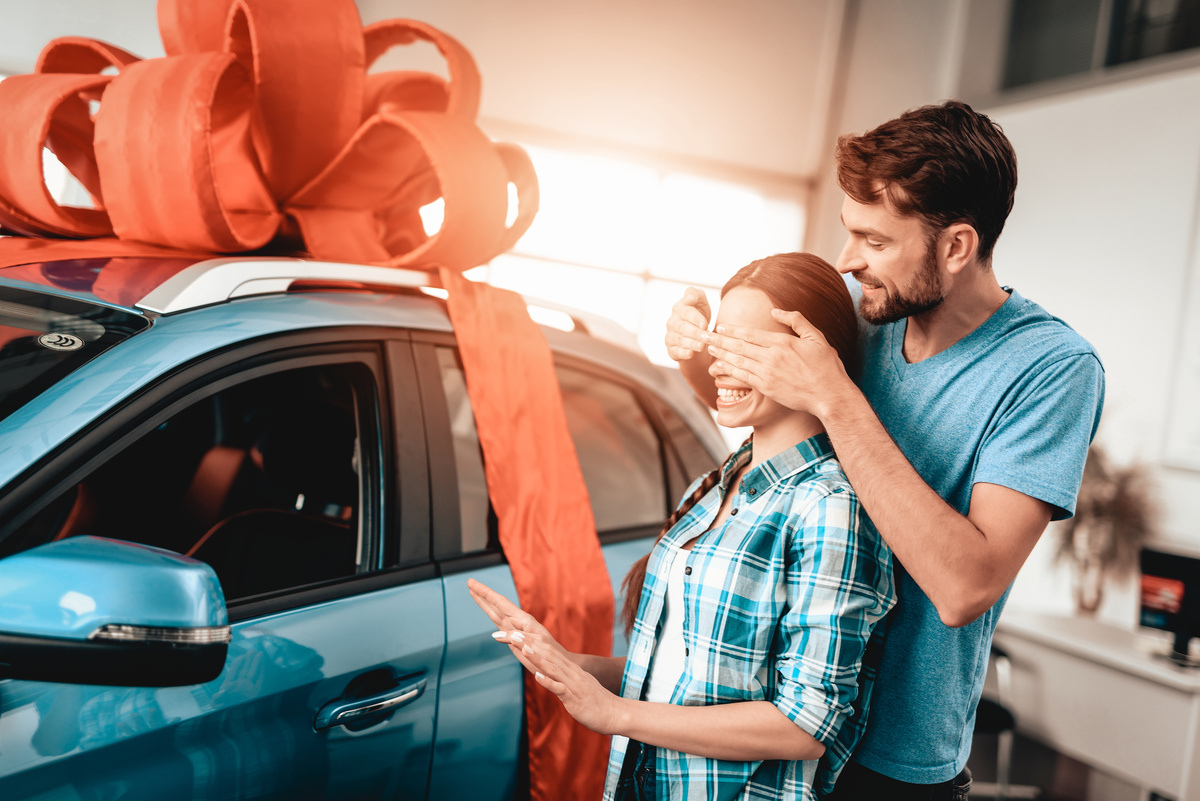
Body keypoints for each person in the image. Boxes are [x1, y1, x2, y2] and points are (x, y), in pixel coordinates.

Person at [665, 101, 1105, 799]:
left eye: (874, 240)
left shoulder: (1051, 369)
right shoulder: (857, 303)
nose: (847, 261)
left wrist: (836, 396)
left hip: (891, 764)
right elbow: (765, 430)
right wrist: (697, 354)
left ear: (956, 246)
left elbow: (966, 585)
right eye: (849, 233)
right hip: (769, 719)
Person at [470, 252, 895, 801]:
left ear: (810, 357)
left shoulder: (829, 506)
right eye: (720, 341)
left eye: (747, 347)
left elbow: (808, 724)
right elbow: (689, 676)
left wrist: (617, 714)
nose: (718, 364)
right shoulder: (714, 485)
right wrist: (572, 666)